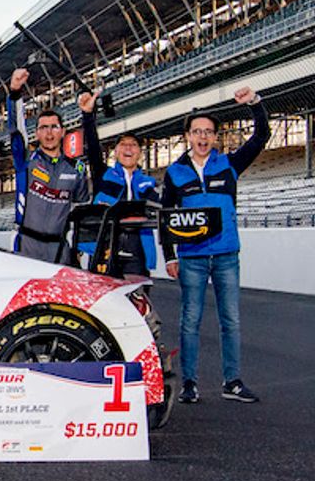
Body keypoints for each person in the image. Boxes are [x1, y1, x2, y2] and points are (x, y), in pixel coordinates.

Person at [163, 87, 269, 405]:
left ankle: (232, 381)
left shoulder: (229, 164)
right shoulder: (174, 172)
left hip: (226, 253)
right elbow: (167, 216)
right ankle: (190, 384)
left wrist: (255, 103)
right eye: (197, 131)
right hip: (191, 256)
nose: (203, 137)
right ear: (187, 136)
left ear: (215, 136)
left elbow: (261, 136)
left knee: (231, 320)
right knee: (190, 320)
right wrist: (169, 255)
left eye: (208, 132)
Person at [6, 67, 90, 262]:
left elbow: (81, 208)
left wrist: (79, 244)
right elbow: (16, 131)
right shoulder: (26, 161)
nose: (49, 133)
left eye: (54, 127)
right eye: (43, 127)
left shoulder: (76, 168)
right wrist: (15, 93)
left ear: (63, 131)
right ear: (36, 133)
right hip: (26, 244)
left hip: (59, 248)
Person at [79, 89, 159, 277]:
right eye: (123, 144)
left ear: (140, 152)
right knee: (102, 300)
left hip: (138, 247)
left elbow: (158, 210)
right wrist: (87, 115)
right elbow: (92, 148)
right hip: (105, 245)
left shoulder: (148, 182)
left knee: (136, 300)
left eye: (133, 145)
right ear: (115, 151)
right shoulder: (103, 174)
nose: (128, 148)